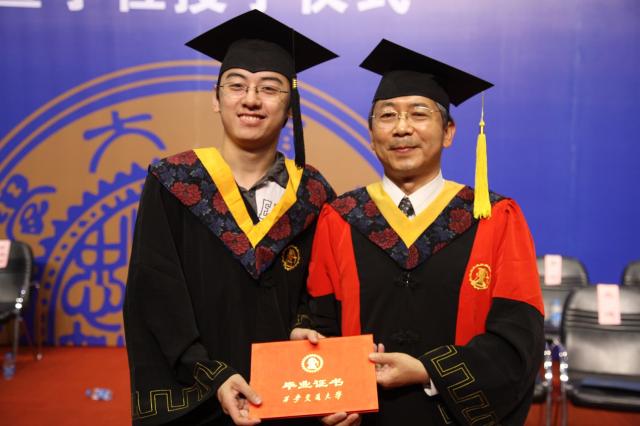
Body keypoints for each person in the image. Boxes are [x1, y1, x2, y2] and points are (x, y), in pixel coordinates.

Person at [294, 39, 545, 425]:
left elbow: (518, 339)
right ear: (371, 134)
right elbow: (321, 324)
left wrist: (429, 370)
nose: (402, 128)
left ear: (448, 132)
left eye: (419, 114)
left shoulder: (495, 218)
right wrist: (327, 396)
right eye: (387, 116)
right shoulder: (340, 218)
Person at [123, 10, 338, 425]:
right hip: (200, 396)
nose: (251, 99)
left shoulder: (313, 194)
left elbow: (320, 291)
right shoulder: (175, 182)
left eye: (269, 88)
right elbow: (155, 292)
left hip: (288, 397)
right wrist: (209, 374)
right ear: (216, 97)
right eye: (236, 85)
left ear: (290, 106)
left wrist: (304, 326)